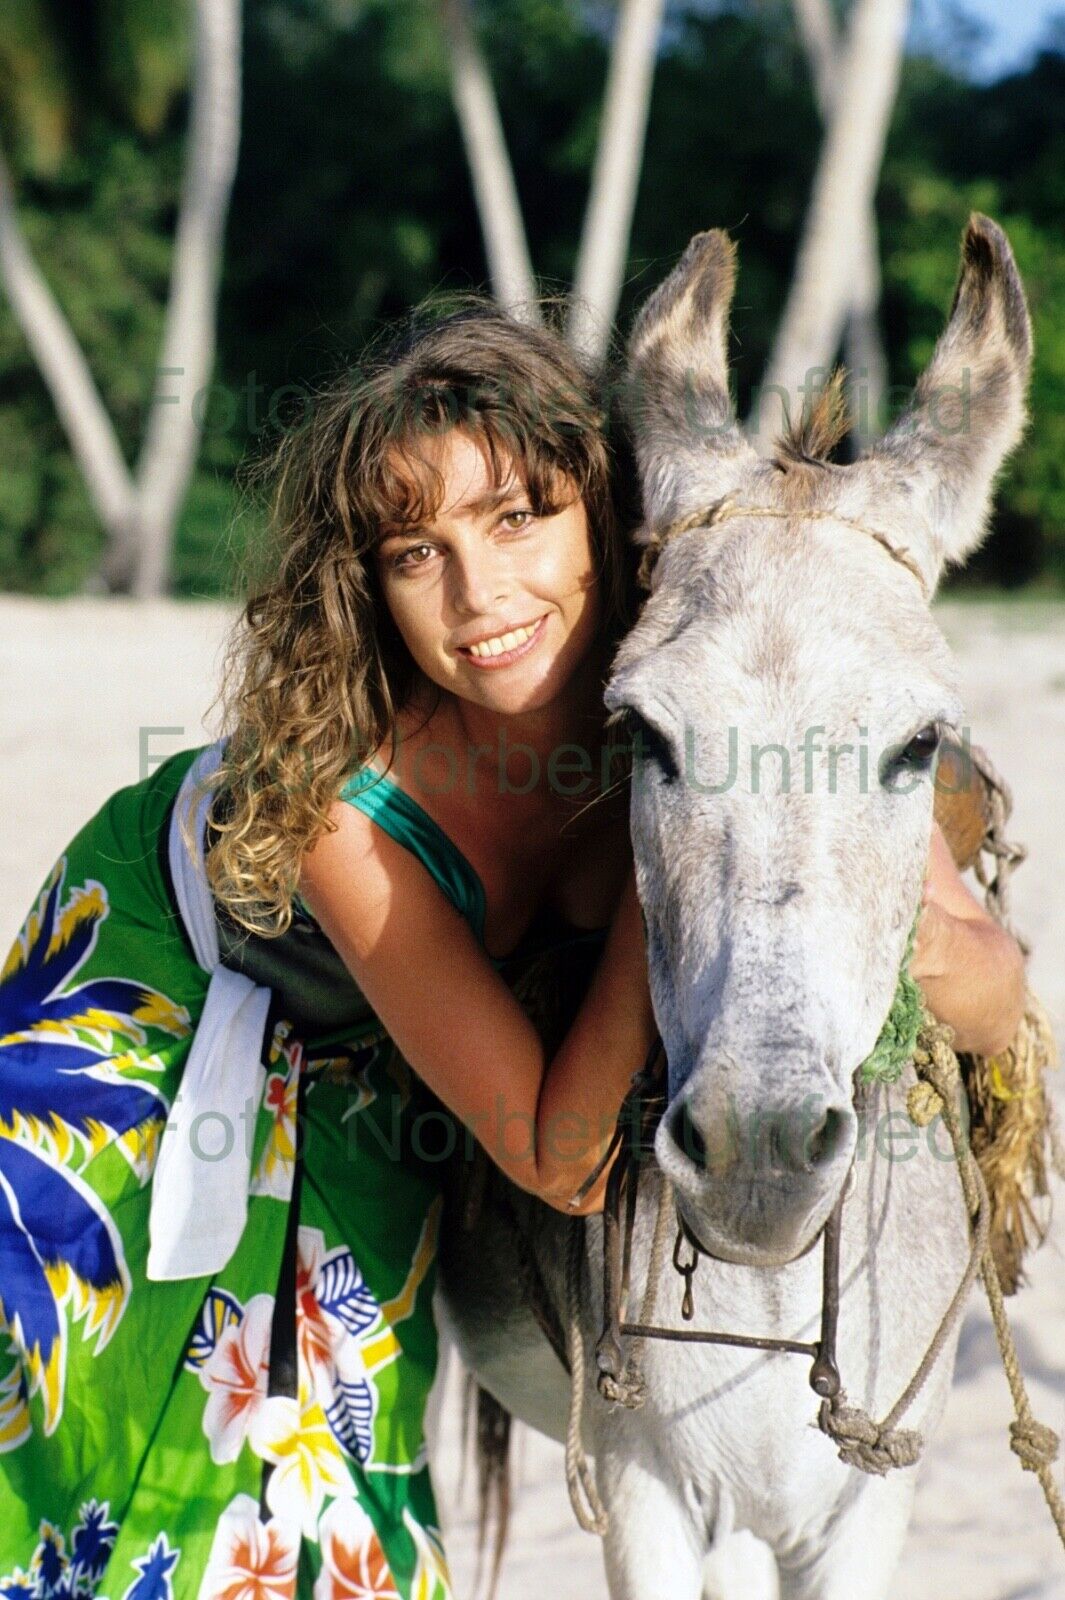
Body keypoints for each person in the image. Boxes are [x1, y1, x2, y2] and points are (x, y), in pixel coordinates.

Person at [0, 299, 1024, 1600]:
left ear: (602, 511)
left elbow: (990, 998)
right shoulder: (336, 806)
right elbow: (557, 1155)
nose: (478, 594)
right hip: (145, 1032)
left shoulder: (705, 685)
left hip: (398, 1062)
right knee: (118, 1444)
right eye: (411, 550)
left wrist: (857, 883)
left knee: (329, 1496)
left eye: (517, 518)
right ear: (362, 581)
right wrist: (679, 858)